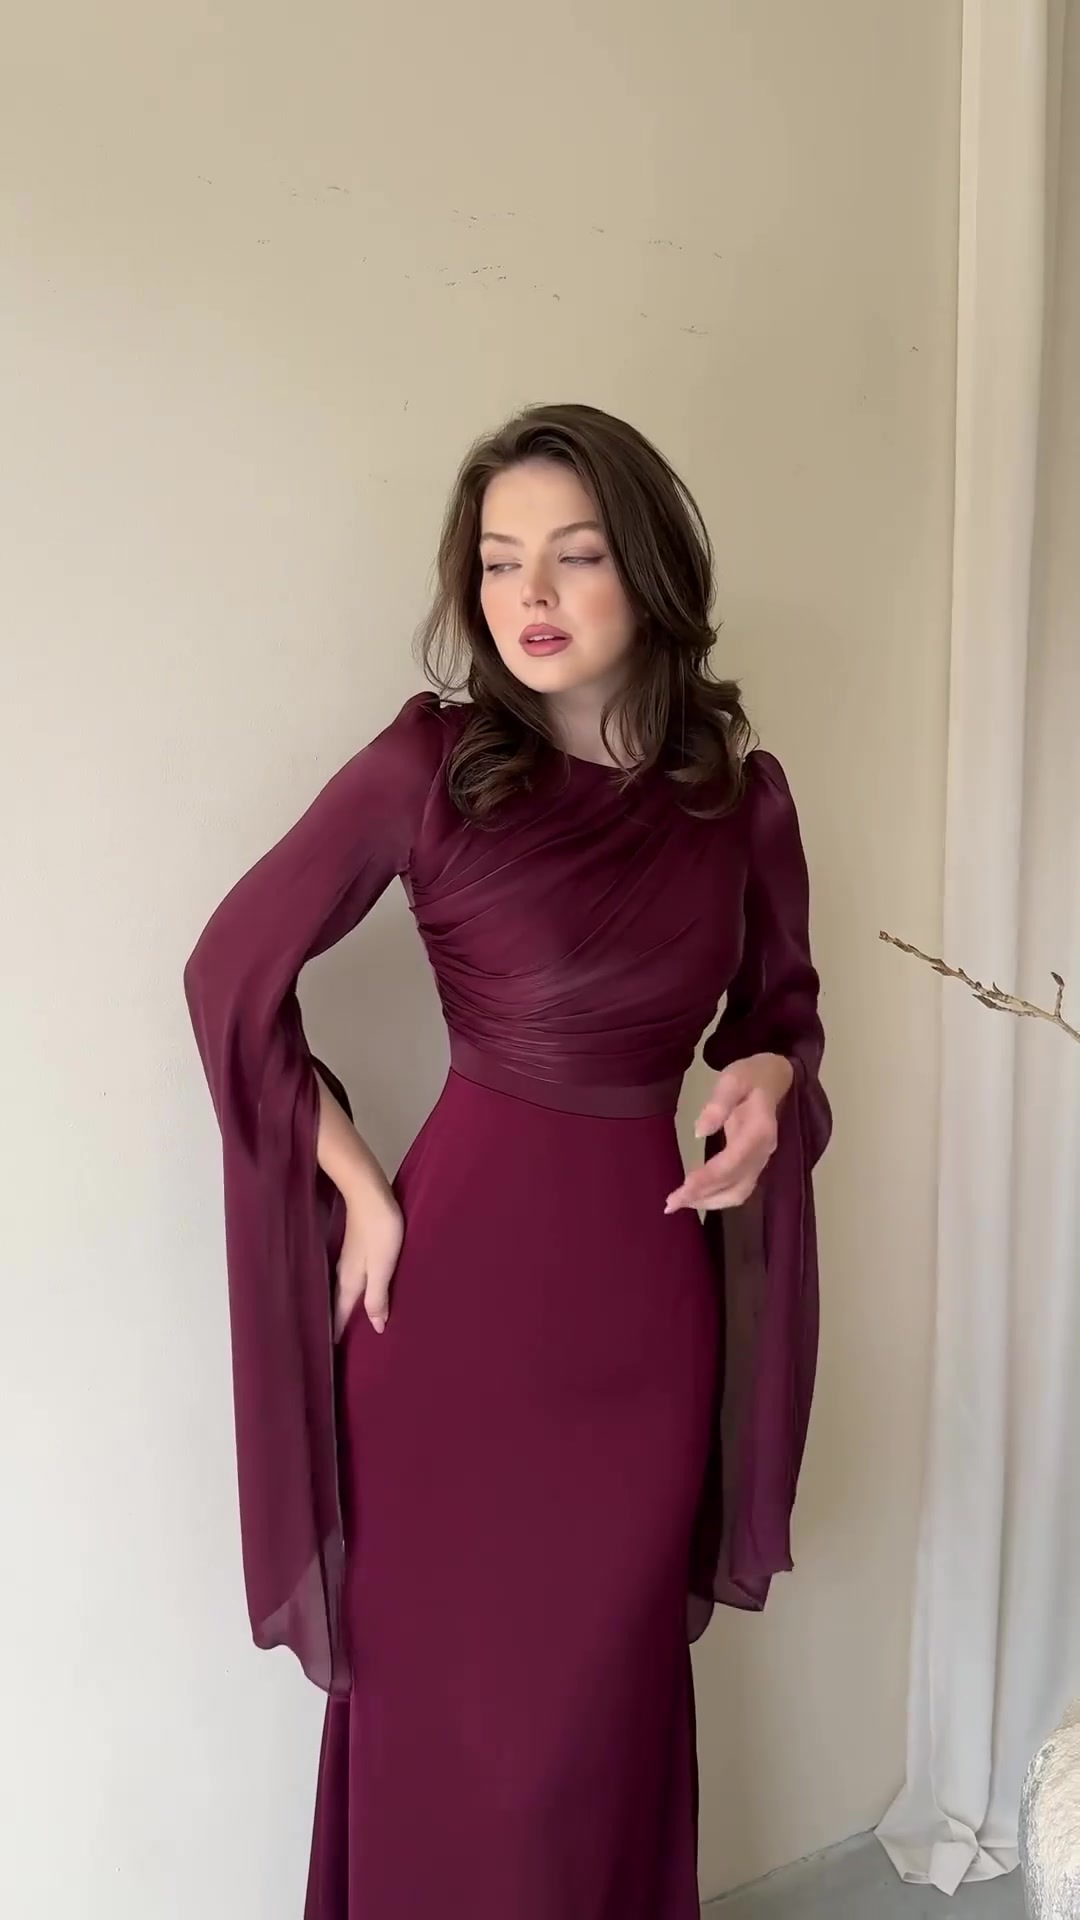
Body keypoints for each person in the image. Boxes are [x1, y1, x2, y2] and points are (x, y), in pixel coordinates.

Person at [184, 401, 831, 1920]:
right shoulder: (430, 767)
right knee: (453, 1731)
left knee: (595, 1729)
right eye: (497, 560)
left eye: (575, 554)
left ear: (649, 572)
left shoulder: (738, 803)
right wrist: (355, 1184)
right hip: (449, 1319)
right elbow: (229, 975)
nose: (528, 595)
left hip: (644, 1327)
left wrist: (762, 1085)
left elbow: (783, 1023)